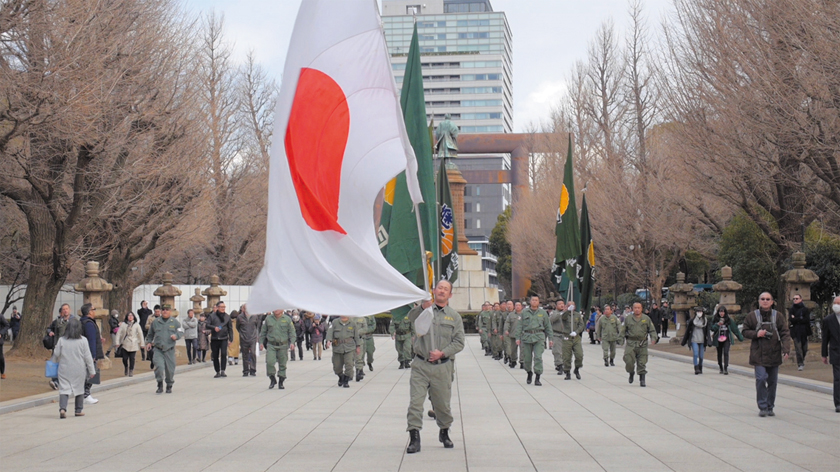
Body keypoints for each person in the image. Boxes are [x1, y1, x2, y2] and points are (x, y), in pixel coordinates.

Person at [405, 280, 465, 454]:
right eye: (440, 288)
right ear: (434, 290)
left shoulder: (454, 317)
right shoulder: (424, 311)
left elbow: (459, 342)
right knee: (416, 403)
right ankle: (414, 437)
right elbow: (410, 319)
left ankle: (444, 431)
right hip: (421, 365)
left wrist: (443, 353)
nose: (442, 291)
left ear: (450, 295)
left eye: (446, 289)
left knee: (442, 405)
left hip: (442, 367)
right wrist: (422, 307)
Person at [742, 292, 791, 417]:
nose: (765, 301)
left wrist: (786, 349)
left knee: (773, 382)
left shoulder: (778, 316)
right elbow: (745, 331)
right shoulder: (752, 316)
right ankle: (762, 406)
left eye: (767, 299)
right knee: (761, 378)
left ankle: (770, 406)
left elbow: (785, 333)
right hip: (758, 354)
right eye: (762, 299)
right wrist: (756, 334)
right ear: (759, 301)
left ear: (772, 301)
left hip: (774, 353)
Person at [50, 318, 96, 418]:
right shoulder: (83, 340)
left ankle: (62, 408)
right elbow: (88, 356)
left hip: (64, 368)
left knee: (64, 389)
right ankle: (78, 410)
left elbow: (56, 353)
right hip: (79, 368)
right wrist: (92, 370)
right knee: (79, 389)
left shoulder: (62, 340)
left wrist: (52, 363)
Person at [515, 295, 553, 386]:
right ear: (530, 301)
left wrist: (550, 339)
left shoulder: (543, 313)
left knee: (538, 357)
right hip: (527, 337)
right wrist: (517, 338)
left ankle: (538, 377)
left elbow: (548, 326)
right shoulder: (524, 312)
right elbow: (519, 325)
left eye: (536, 300)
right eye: (533, 300)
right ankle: (529, 373)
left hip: (539, 337)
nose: (534, 302)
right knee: (527, 358)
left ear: (538, 302)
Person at [145, 304, 182, 394]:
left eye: (167, 310)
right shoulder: (156, 322)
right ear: (161, 311)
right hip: (158, 349)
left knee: (170, 370)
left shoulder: (175, 322)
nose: (165, 311)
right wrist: (149, 342)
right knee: (159, 367)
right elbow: (150, 334)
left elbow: (181, 332)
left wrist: (176, 336)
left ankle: (169, 385)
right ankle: (160, 384)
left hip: (169, 349)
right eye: (163, 309)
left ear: (170, 311)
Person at [620, 302, 659, 387]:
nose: (637, 309)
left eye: (639, 308)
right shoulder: (628, 318)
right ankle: (631, 372)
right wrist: (621, 339)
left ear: (641, 309)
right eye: (635, 308)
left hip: (642, 343)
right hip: (631, 343)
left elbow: (652, 330)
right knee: (628, 360)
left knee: (642, 362)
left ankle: (642, 379)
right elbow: (623, 330)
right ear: (632, 309)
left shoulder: (646, 318)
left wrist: (653, 338)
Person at [260, 309, 296, 389]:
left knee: (282, 364)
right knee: (269, 362)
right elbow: (263, 332)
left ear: (282, 309)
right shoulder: (268, 319)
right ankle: (272, 378)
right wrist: (261, 342)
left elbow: (292, 332)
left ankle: (281, 381)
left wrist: (292, 342)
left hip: (283, 345)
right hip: (271, 345)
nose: (276, 310)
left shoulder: (287, 319)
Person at [326, 315, 361, 388]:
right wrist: (328, 340)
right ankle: (341, 376)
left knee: (349, 364)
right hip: (337, 347)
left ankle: (346, 380)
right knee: (337, 366)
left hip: (349, 347)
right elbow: (330, 331)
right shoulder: (335, 322)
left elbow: (356, 336)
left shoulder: (352, 323)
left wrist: (358, 346)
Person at [79, 303, 104, 404]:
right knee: (91, 374)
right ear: (89, 312)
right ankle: (86, 394)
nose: (95, 311)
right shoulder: (88, 323)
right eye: (93, 309)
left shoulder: (83, 322)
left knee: (88, 374)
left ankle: (83, 394)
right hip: (89, 353)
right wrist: (93, 355)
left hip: (85, 353)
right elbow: (91, 340)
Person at [47, 304, 74, 389]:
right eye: (64, 309)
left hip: (70, 347)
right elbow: (49, 328)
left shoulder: (74, 321)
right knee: (53, 363)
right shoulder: (57, 321)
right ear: (61, 311)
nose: (65, 311)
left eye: (67, 309)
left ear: (70, 310)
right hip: (57, 346)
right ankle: (55, 382)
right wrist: (49, 332)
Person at [820, 296, 840, 412]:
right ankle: (838, 403)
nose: (836, 305)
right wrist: (824, 354)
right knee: (838, 378)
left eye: (839, 303)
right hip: (835, 352)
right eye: (835, 303)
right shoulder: (828, 320)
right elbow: (825, 338)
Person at [711, 306, 743, 375]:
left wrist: (740, 337)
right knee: (719, 353)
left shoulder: (728, 320)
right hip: (718, 339)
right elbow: (712, 328)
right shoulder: (715, 319)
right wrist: (717, 325)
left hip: (726, 338)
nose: (721, 313)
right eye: (720, 312)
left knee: (726, 352)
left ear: (725, 312)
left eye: (723, 312)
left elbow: (735, 329)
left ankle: (725, 368)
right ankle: (720, 367)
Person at [558, 301, 585, 380]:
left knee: (579, 355)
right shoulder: (565, 314)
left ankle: (577, 368)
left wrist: (576, 332)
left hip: (576, 338)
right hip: (567, 338)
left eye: (573, 305)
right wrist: (568, 311)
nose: (571, 307)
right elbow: (563, 318)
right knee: (566, 357)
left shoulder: (577, 315)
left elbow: (581, 325)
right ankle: (567, 372)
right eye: (569, 305)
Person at [681, 307, 711, 374]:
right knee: (695, 354)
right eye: (698, 312)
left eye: (701, 312)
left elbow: (707, 332)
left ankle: (700, 366)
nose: (699, 313)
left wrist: (709, 341)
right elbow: (688, 331)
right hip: (694, 339)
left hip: (702, 340)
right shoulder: (692, 321)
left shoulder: (705, 321)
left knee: (701, 356)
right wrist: (684, 341)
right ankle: (696, 367)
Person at [207, 301, 232, 378]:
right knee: (215, 355)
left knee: (224, 354)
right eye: (221, 307)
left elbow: (230, 328)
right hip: (215, 338)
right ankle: (217, 371)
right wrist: (214, 328)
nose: (223, 308)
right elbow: (207, 325)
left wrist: (231, 339)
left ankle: (223, 370)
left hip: (224, 338)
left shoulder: (227, 317)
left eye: (224, 307)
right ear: (217, 308)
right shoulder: (212, 316)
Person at [115, 312, 144, 377]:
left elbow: (140, 334)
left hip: (133, 343)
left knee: (132, 358)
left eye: (132, 315)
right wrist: (117, 342)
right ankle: (126, 367)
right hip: (125, 343)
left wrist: (142, 343)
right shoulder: (123, 324)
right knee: (125, 358)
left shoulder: (136, 325)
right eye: (129, 315)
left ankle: (131, 370)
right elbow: (118, 333)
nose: (130, 317)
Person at [236, 304, 262, 377]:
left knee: (253, 354)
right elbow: (237, 327)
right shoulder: (240, 317)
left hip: (253, 338)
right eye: (245, 308)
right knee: (245, 355)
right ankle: (245, 370)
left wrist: (256, 336)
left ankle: (253, 370)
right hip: (244, 338)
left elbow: (257, 326)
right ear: (243, 309)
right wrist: (241, 334)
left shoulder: (254, 316)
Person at [788, 294, 811, 371]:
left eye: (797, 298)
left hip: (804, 331)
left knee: (804, 348)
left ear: (801, 299)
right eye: (794, 298)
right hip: (795, 331)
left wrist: (796, 319)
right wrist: (799, 318)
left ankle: (802, 360)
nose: (795, 300)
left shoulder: (805, 309)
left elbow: (806, 320)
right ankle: (800, 363)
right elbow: (791, 320)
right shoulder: (791, 309)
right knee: (798, 348)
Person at [549, 299, 567, 375]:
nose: (562, 305)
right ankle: (560, 365)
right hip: (556, 334)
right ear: (556, 306)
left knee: (565, 351)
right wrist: (561, 313)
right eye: (560, 304)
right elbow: (552, 319)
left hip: (565, 334)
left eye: (563, 304)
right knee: (557, 351)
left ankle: (564, 365)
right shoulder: (554, 313)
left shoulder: (566, 313)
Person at [503, 301, 522, 369]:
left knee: (523, 349)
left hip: (522, 335)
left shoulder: (524, 314)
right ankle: (513, 360)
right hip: (513, 335)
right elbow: (507, 323)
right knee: (513, 349)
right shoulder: (511, 315)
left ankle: (522, 362)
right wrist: (506, 330)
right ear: (514, 306)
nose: (517, 307)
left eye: (519, 305)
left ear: (521, 306)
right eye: (516, 305)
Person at [0, 313, 8, 379]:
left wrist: (1, 333)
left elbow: (6, 325)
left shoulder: (0, 316)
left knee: (0, 357)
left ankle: (2, 372)